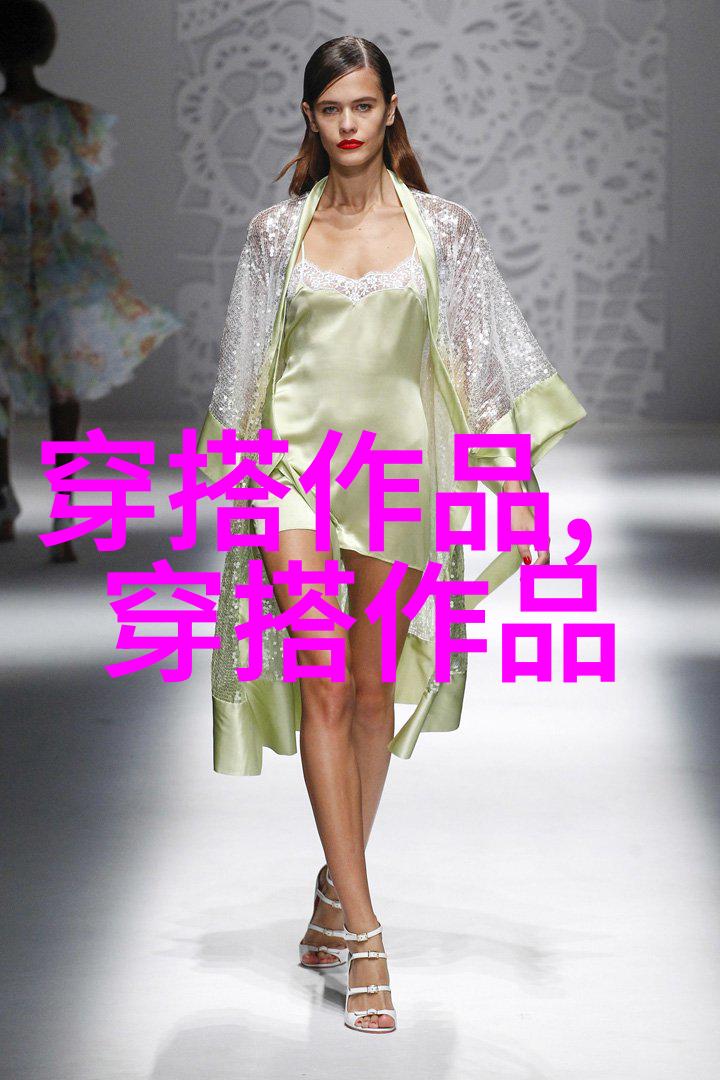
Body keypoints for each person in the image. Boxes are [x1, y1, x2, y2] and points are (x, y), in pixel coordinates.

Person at [196, 36, 587, 1032]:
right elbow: (243, 375)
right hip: (291, 475)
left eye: (363, 105)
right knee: (325, 685)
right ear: (310, 118)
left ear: (391, 109)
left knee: (372, 696)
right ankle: (367, 937)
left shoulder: (443, 229)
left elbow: (477, 366)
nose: (348, 124)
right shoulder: (273, 234)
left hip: (395, 478)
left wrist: (515, 486)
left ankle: (336, 888)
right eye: (331, 109)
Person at [0, 0, 181, 561]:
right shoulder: (68, 117)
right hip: (58, 254)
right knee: (62, 387)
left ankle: (8, 503)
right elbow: (83, 195)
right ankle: (64, 509)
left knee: (8, 381)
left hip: (13, 253)